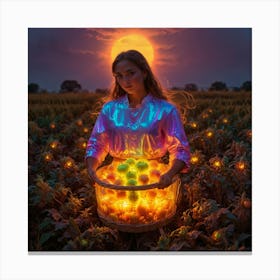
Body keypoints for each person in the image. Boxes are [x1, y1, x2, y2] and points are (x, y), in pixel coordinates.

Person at [85, 49, 190, 188]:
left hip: (153, 179)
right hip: (117, 179)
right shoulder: (110, 109)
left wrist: (170, 174)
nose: (125, 81)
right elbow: (97, 143)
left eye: (131, 73)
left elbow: (180, 149)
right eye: (119, 76)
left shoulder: (165, 110)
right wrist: (92, 169)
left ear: (144, 73)